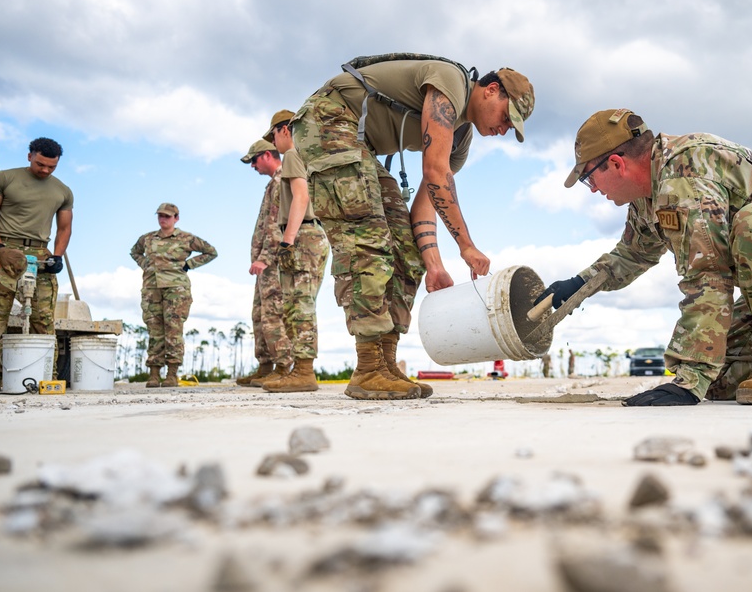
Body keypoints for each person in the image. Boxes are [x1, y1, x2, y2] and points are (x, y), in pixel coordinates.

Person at [539, 108, 752, 407]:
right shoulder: (648, 196)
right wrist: (578, 285)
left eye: (589, 179)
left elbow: (708, 274)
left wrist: (688, 382)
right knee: (723, 379)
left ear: (616, 164)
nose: (594, 190)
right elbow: (631, 255)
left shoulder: (686, 171)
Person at [265, 55, 534, 401]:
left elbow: (427, 203)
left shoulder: (461, 139)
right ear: (491, 90)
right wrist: (466, 245)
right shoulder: (451, 82)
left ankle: (385, 363)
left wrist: (434, 265)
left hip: (358, 146)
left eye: (512, 127)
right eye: (506, 117)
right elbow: (436, 173)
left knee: (406, 248)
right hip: (328, 120)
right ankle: (367, 368)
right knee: (367, 238)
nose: (504, 129)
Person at [0, 138, 73, 392]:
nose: (45, 170)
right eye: (40, 164)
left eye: (51, 167)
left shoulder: (63, 191)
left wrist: (58, 256)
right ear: (30, 156)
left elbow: (64, 227)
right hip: (7, 250)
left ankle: (46, 374)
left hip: (40, 253)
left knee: (43, 319)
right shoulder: (5, 179)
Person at [239, 139, 329, 392]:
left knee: (282, 311)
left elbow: (274, 225)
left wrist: (267, 256)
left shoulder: (283, 178)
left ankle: (286, 367)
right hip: (274, 255)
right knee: (264, 313)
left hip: (279, 254)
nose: (253, 166)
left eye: (254, 160)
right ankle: (269, 366)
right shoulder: (274, 182)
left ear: (267, 155)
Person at [130, 203, 217, 388]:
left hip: (176, 289)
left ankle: (171, 374)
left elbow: (211, 252)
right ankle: (154, 374)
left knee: (173, 330)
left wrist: (189, 265)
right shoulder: (147, 238)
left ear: (176, 218)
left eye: (167, 216)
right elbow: (134, 252)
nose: (163, 219)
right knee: (154, 330)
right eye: (160, 216)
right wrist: (145, 263)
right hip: (152, 289)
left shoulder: (186, 238)